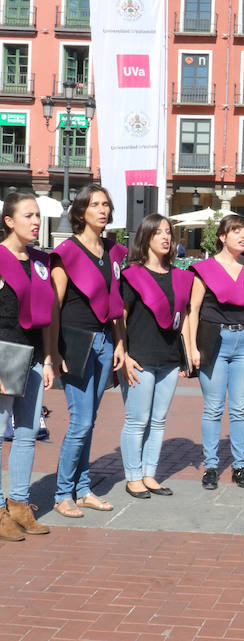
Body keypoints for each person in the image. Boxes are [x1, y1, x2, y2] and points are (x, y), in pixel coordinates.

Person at [49, 184, 127, 517]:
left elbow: (117, 304)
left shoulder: (113, 251)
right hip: (75, 341)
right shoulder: (66, 252)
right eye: (95, 204)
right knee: (80, 422)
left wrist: (121, 342)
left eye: (106, 204)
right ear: (81, 212)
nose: (103, 210)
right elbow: (54, 306)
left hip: (105, 342)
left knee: (90, 421)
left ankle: (83, 488)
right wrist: (53, 352)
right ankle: (62, 492)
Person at [187, 214, 244, 491]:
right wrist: (191, 348)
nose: (243, 236)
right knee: (212, 408)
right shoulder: (204, 269)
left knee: (239, 409)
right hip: (214, 341)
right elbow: (193, 311)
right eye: (237, 231)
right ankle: (211, 466)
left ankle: (239, 466)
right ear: (222, 237)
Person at [119, 214, 194, 499]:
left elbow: (184, 316)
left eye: (169, 233)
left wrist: (187, 354)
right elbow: (121, 318)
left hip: (169, 358)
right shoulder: (131, 275)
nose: (166, 237)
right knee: (138, 419)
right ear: (146, 238)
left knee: (159, 419)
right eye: (159, 233)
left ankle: (150, 474)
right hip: (139, 357)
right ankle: (133, 476)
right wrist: (123, 354)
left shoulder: (180, 276)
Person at [0, 193, 55, 539]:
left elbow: (48, 315)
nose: (36, 221)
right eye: (28, 215)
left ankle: (19, 505)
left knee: (27, 432)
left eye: (38, 215)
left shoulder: (40, 260)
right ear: (9, 221)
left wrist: (48, 358)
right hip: (3, 353)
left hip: (33, 354)